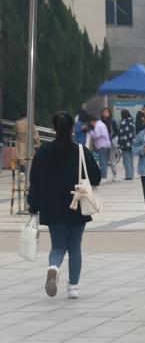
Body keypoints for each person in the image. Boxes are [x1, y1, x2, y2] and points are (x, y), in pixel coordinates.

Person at [27, 112, 102, 299]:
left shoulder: (43, 152)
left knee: (58, 246)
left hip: (51, 207)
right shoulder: (81, 151)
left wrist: (33, 205)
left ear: (54, 128)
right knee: (75, 246)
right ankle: (73, 287)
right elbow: (96, 178)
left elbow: (34, 181)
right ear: (72, 129)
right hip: (77, 204)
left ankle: (53, 267)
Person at [85, 114, 113, 181]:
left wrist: (90, 132)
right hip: (107, 145)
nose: (91, 124)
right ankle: (104, 176)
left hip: (102, 145)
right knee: (104, 161)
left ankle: (103, 177)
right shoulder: (102, 124)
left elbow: (97, 135)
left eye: (91, 123)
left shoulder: (98, 125)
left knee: (102, 162)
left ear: (92, 121)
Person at [117, 110, 136, 180]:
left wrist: (119, 144)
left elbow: (120, 134)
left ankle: (128, 176)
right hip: (132, 143)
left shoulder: (123, 123)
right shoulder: (132, 122)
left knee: (126, 160)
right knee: (131, 160)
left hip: (125, 144)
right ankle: (131, 174)